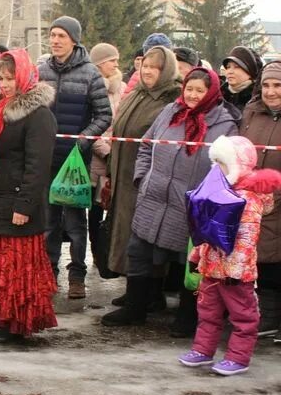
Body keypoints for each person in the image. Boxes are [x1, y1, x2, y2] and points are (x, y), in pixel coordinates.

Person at [101, 68, 239, 328]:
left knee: (188, 260)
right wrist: (143, 179)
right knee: (138, 253)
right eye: (190, 89)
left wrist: (206, 198)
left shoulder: (225, 124)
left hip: (191, 204)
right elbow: (146, 145)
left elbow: (228, 168)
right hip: (153, 198)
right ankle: (135, 308)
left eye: (200, 90)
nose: (193, 95)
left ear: (210, 93)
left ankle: (187, 316)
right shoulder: (170, 112)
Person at [0, 49, 58, 343]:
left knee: (13, 266)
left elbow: (37, 167)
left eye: (10, 79)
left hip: (17, 202)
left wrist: (24, 205)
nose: (4, 85)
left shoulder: (39, 116)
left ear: (24, 78)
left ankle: (14, 320)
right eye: (1, 78)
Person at [179, 136, 281, 375]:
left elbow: (247, 238)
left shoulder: (247, 199)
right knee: (208, 312)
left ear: (237, 166)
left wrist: (236, 268)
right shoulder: (219, 192)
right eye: (215, 163)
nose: (216, 169)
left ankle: (239, 357)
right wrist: (197, 255)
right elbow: (207, 231)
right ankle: (203, 350)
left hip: (236, 273)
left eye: (222, 164)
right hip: (211, 269)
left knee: (243, 316)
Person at [39, 16, 112, 299]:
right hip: (47, 158)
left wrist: (84, 139)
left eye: (61, 36)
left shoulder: (90, 73)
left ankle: (78, 274)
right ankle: (49, 273)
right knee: (48, 221)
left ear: (74, 40)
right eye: (52, 35)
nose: (55, 40)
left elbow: (104, 115)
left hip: (75, 161)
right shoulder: (41, 70)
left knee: (75, 223)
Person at [106, 47, 182, 305]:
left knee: (147, 236)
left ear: (167, 71)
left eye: (155, 67)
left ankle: (151, 294)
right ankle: (134, 290)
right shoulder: (137, 93)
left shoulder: (171, 100)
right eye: (145, 66)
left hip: (147, 179)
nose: (148, 71)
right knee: (127, 233)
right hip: (123, 175)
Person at [240, 62, 281, 339]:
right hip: (254, 201)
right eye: (266, 85)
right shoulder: (252, 112)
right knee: (263, 262)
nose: (271, 91)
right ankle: (269, 317)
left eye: (277, 85)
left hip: (279, 199)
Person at [88, 43, 125, 273]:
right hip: (97, 159)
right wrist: (105, 150)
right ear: (100, 63)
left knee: (112, 208)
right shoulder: (92, 88)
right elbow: (90, 126)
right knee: (94, 211)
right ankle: (96, 253)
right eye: (112, 60)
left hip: (116, 158)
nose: (116, 64)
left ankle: (110, 255)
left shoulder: (121, 88)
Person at [221, 46, 263, 113]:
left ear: (250, 72)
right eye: (228, 67)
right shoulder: (218, 97)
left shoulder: (260, 100)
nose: (229, 71)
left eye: (236, 67)